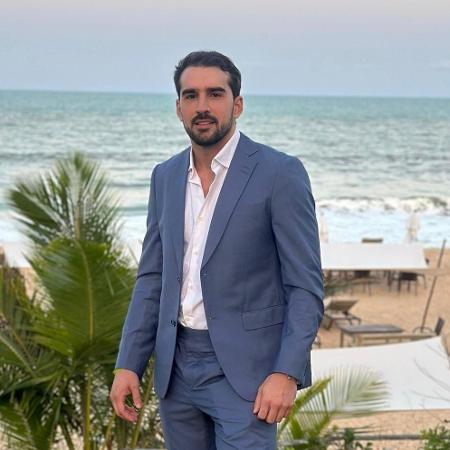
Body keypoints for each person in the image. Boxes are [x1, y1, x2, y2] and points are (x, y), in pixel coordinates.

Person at [110, 50, 324, 450]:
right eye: (190, 96)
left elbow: (305, 286)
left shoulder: (280, 173)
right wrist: (128, 363)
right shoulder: (165, 176)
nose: (202, 106)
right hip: (176, 370)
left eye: (215, 94)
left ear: (237, 104)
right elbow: (152, 278)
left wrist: (286, 372)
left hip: (247, 374)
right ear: (178, 108)